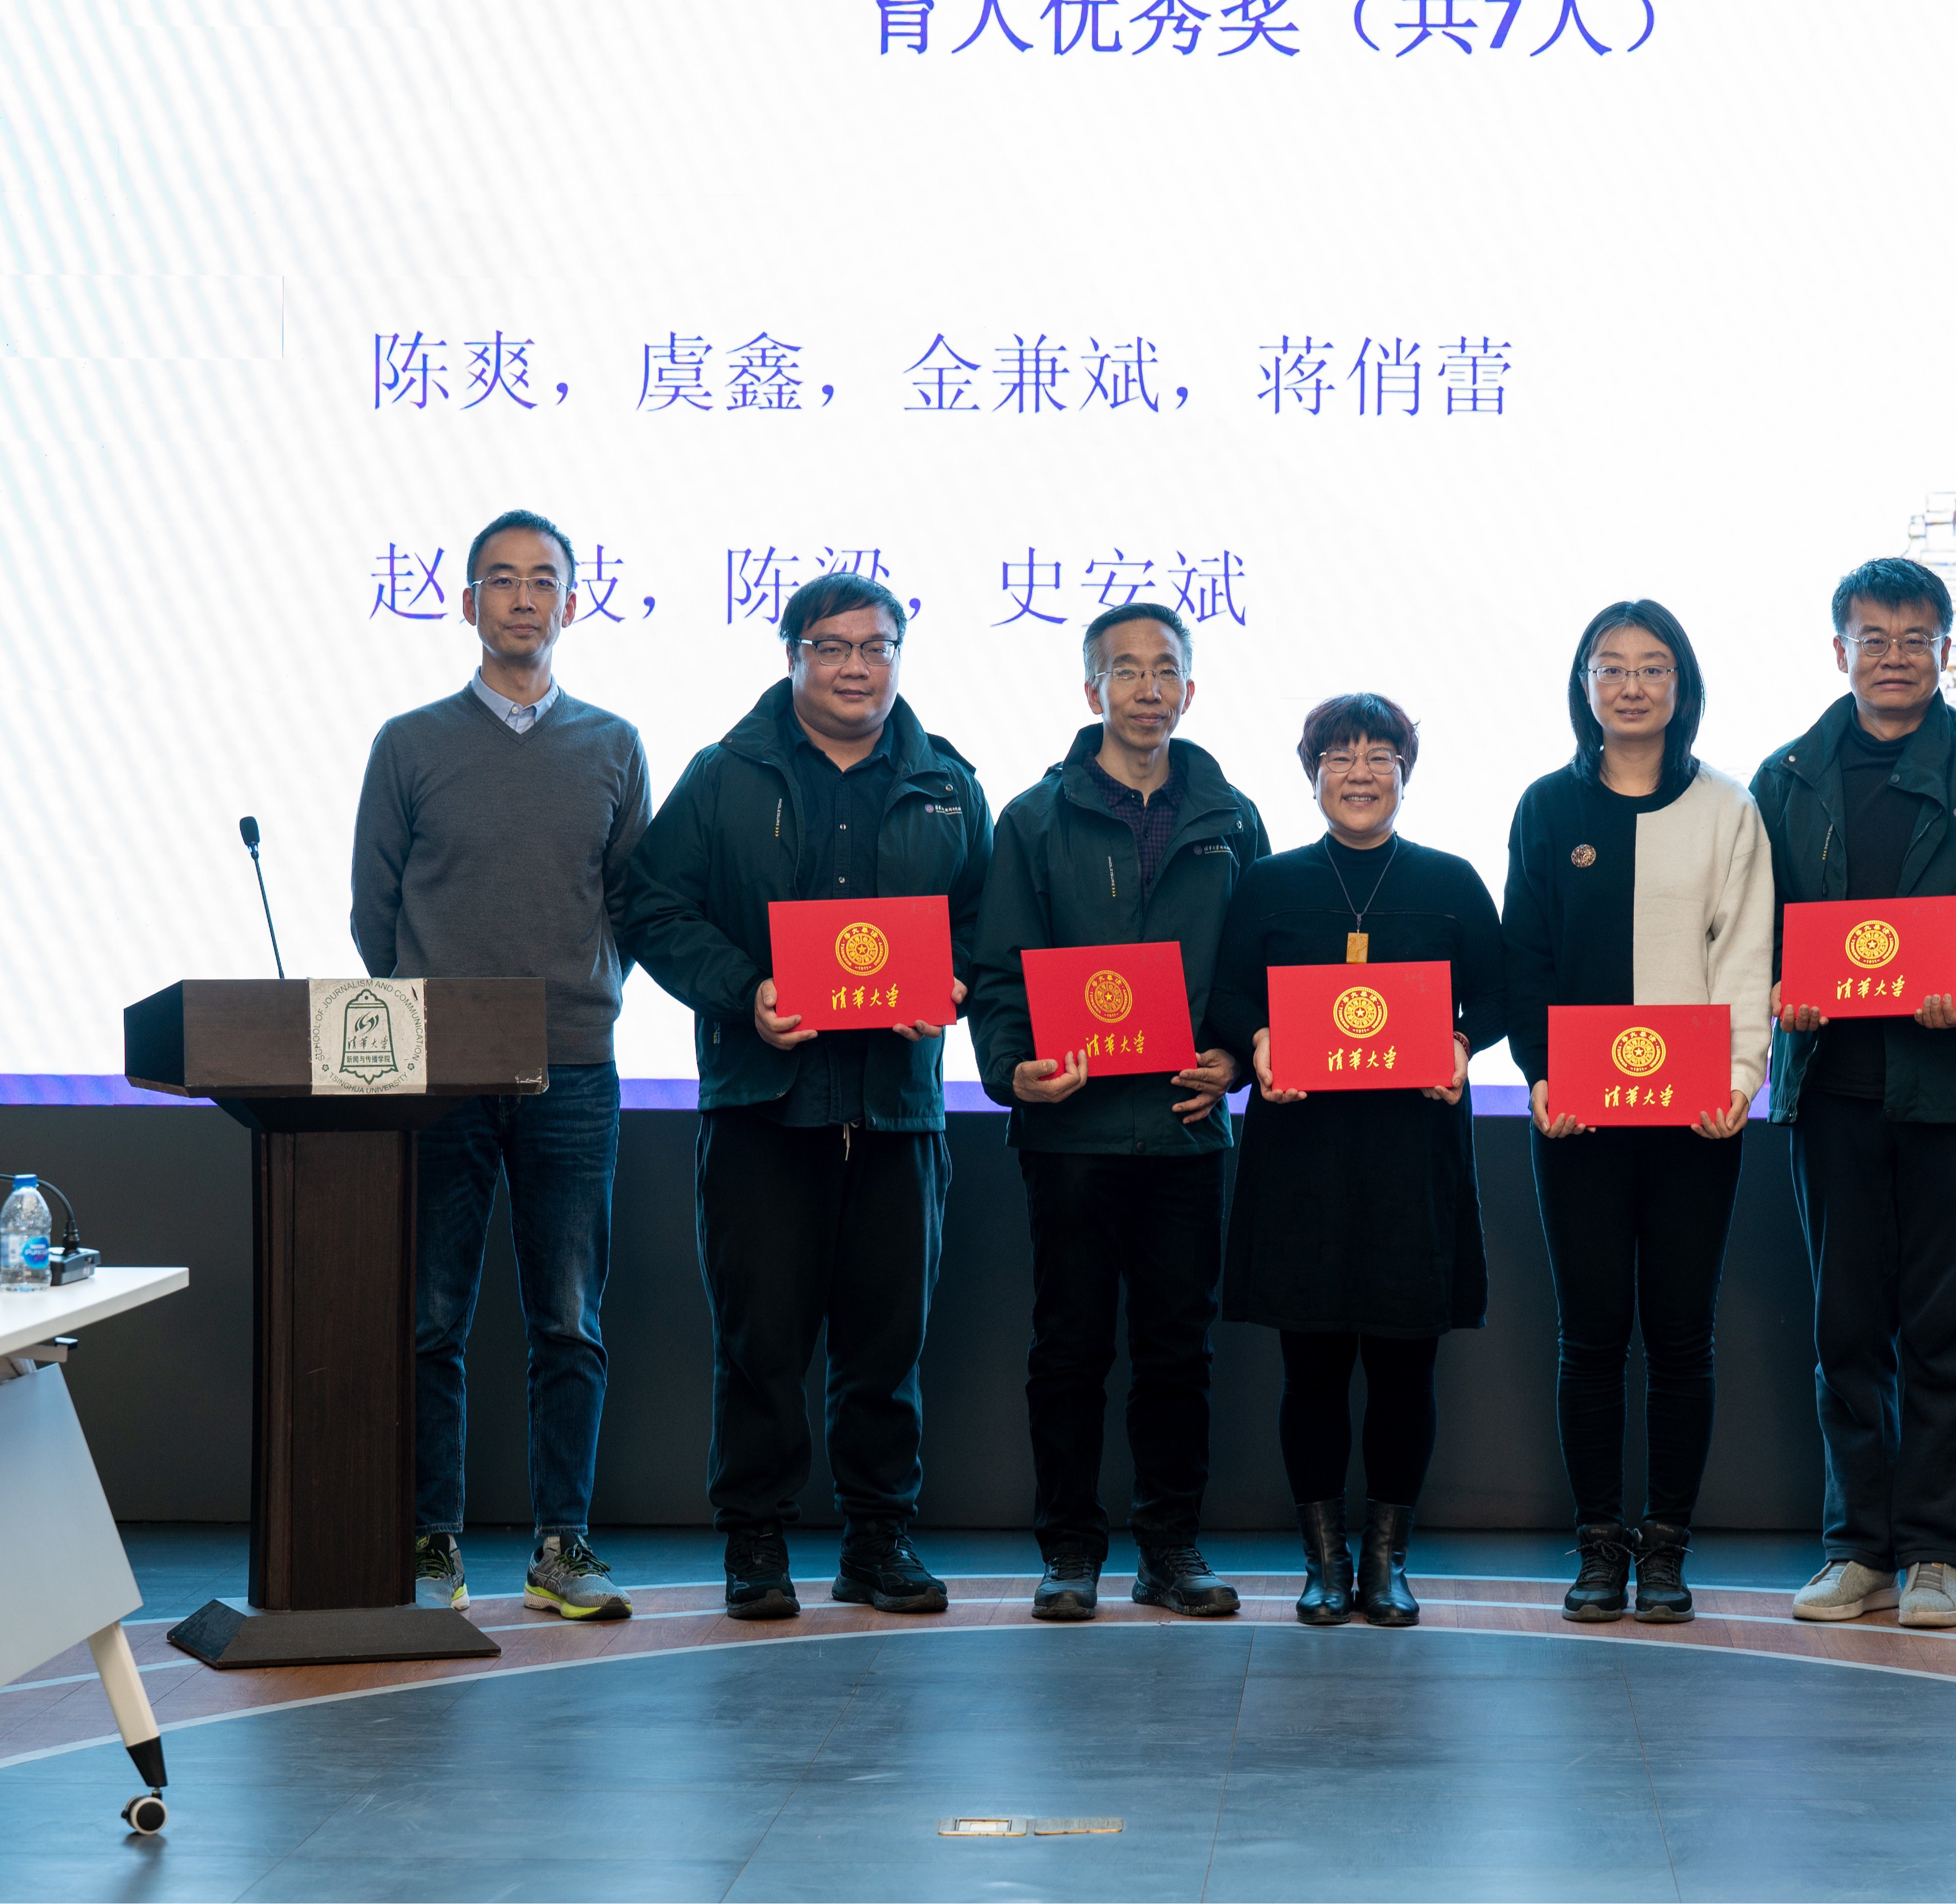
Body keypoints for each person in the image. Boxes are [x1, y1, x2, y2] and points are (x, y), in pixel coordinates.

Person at [616, 571, 992, 1621]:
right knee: (760, 1344)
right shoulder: (724, 775)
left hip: (895, 1109)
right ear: (792, 658)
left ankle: (879, 1539)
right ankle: (757, 1541)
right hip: (763, 1103)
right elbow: (653, 906)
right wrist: (747, 992)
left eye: (875, 647)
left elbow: (985, 920)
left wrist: (951, 981)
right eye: (831, 647)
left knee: (887, 1343)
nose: (854, 667)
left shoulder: (949, 783)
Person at [350, 507, 649, 1623]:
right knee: (431, 1316)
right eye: (502, 579)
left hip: (572, 1067)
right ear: (467, 601)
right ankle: (431, 1540)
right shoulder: (409, 742)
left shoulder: (613, 743)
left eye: (544, 580)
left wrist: (579, 993)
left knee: (568, 1319)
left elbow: (629, 901)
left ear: (570, 601)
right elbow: (374, 911)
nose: (524, 598)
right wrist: (438, 1016)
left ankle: (561, 1546)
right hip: (436, 1070)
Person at [1761, 557, 1956, 1631]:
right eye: (1872, 638)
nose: (1893, 658)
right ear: (1837, 648)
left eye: (1914, 639)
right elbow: (1751, 924)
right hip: (1831, 1089)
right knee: (1845, 1331)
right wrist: (1779, 988)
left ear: (1945, 648)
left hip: (1954, 1090)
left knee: (1945, 1329)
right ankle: (1858, 1549)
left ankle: (1938, 1551)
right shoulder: (1786, 776)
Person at [969, 602, 1268, 1622]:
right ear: (1090, 688)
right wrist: (1010, 1070)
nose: (1148, 689)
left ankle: (1170, 1548)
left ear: (1191, 687)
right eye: (1126, 670)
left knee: (1178, 1354)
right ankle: (1069, 1552)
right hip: (1072, 1133)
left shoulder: (1231, 818)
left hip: (1185, 1128)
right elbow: (999, 972)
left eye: (1166, 669)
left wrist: (1235, 1056)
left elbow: (1256, 969)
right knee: (1069, 1349)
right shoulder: (1033, 818)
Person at [1209, 693, 1506, 1627]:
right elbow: (1224, 995)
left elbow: (1500, 993)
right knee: (1312, 1370)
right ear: (1312, 775)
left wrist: (1461, 1041)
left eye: (1381, 756)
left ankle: (1386, 1560)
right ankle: (1324, 1561)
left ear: (1406, 774)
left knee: (1405, 1371)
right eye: (1339, 756)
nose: (1361, 773)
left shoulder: (1450, 880)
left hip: (1412, 1158)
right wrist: (1259, 1038)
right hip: (1302, 1158)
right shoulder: (1268, 883)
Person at [1504, 601, 1772, 1625]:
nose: (1630, 685)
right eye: (1609, 667)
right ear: (1584, 685)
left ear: (1681, 686)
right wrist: (1539, 1071)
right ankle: (1597, 1545)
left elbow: (1745, 951)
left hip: (1694, 1119)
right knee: (1589, 1337)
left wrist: (1739, 1075)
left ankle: (1664, 1548)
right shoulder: (1546, 806)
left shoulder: (1726, 808)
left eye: (1652, 667)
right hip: (1577, 1117)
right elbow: (1525, 953)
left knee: (1680, 1337)